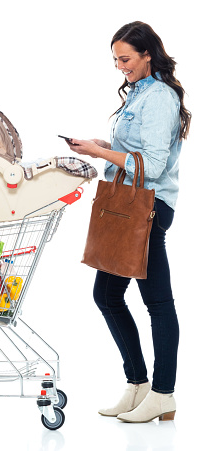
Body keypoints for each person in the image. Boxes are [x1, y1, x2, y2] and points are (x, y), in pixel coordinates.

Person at [66, 21, 191, 423]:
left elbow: (151, 166)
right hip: (127, 205)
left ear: (147, 54)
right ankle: (138, 385)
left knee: (158, 303)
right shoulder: (140, 92)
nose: (120, 66)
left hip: (148, 207)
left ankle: (163, 393)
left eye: (125, 59)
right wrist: (104, 146)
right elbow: (135, 152)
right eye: (116, 60)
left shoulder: (158, 98)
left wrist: (103, 156)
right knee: (107, 296)